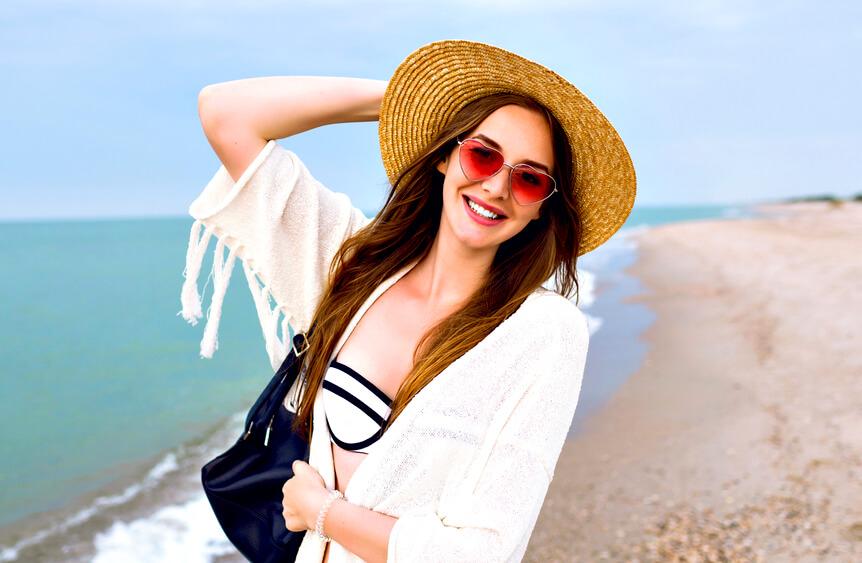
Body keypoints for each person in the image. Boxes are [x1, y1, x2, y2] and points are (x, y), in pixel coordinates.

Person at [181, 40, 635, 563]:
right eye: (482, 153)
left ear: (541, 209)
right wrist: (408, 100)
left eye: (529, 178)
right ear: (445, 154)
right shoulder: (351, 264)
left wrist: (323, 513)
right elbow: (226, 113)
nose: (496, 186)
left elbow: (482, 552)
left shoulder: (543, 332)